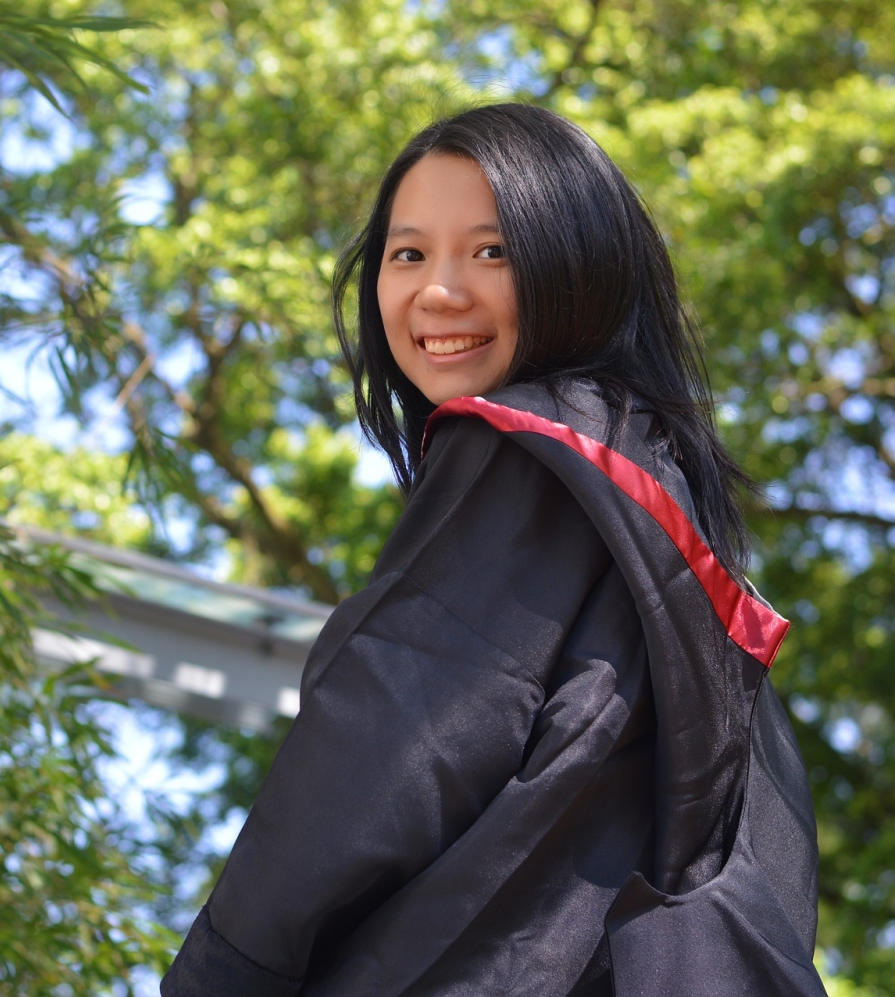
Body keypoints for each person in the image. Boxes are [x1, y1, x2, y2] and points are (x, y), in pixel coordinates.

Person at [159, 104, 822, 997]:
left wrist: (218, 972)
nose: (439, 291)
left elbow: (391, 742)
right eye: (408, 254)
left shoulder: (527, 452)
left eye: (493, 250)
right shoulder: (663, 521)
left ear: (576, 261)